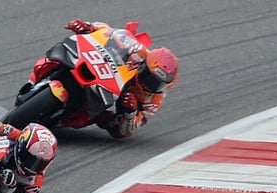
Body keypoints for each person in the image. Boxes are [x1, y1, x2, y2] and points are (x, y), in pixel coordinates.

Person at [24, 19, 179, 138]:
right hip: (103, 70)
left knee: (103, 119)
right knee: (59, 56)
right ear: (144, 64)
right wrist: (87, 27)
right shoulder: (136, 50)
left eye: (156, 84)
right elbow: (107, 31)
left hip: (115, 95)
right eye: (149, 76)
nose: (149, 84)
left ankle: (61, 120)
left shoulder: (153, 101)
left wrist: (130, 112)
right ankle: (33, 81)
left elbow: (125, 131)